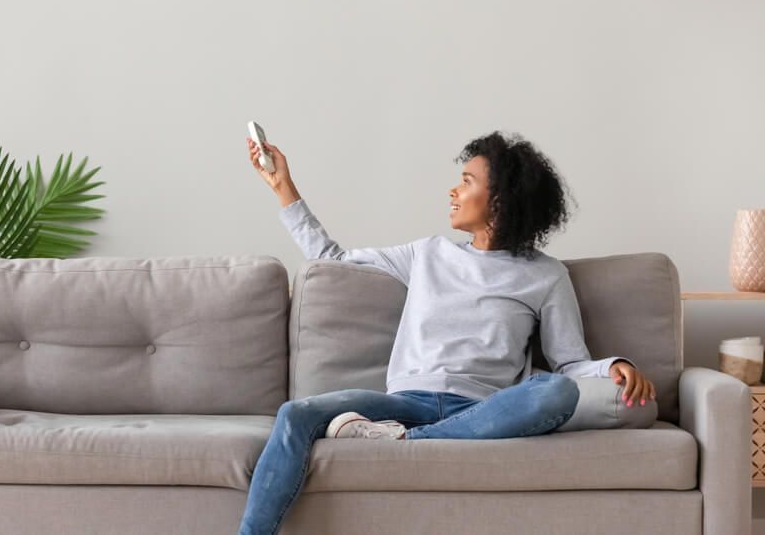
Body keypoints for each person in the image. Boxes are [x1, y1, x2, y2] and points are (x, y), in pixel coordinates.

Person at [237, 129, 656, 535]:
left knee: (556, 391)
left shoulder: (546, 276)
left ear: (500, 200)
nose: (453, 191)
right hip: (401, 403)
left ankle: (401, 441)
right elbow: (334, 259)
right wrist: (283, 187)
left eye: (467, 181)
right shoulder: (426, 254)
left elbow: (570, 363)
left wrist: (613, 366)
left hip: (479, 410)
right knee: (294, 414)